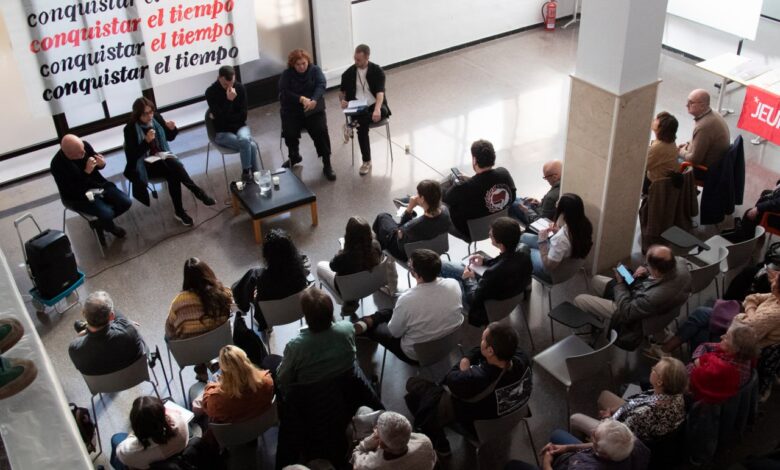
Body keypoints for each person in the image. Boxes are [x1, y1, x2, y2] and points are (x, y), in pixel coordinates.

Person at [406, 322, 533, 455]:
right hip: (513, 413)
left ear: (490, 351)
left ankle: (441, 445)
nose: (481, 341)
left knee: (413, 388)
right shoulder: (522, 358)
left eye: (483, 339)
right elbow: (481, 350)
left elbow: (451, 378)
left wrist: (464, 361)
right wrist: (470, 356)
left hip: (479, 426)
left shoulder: (475, 379)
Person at [353, 248, 463, 365]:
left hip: (416, 356)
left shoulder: (407, 299)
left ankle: (364, 326)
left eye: (410, 267)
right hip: (449, 344)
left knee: (377, 327)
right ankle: (371, 319)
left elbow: (395, 333)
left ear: (416, 274)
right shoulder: (453, 284)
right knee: (392, 312)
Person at [573, 245, 691, 350]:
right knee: (596, 280)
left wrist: (620, 283)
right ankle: (595, 321)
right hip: (651, 304)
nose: (645, 264)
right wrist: (647, 271)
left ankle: (585, 341)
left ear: (656, 270)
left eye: (648, 264)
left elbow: (627, 311)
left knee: (580, 300)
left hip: (637, 317)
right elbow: (653, 282)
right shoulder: (680, 264)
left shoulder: (653, 296)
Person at [123, 97, 216, 227]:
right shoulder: (130, 129)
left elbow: (169, 137)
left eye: (151, 112)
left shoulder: (156, 118)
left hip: (163, 158)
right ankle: (197, 192)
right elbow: (132, 157)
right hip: (145, 166)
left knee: (173, 172)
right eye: (145, 114)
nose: (150, 116)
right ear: (138, 114)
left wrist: (172, 129)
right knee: (174, 166)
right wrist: (146, 142)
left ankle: (180, 211)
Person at [441, 217, 532, 326]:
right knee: (445, 266)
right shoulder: (524, 250)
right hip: (510, 296)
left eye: (491, 235)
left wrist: (469, 279)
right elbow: (505, 260)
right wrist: (485, 261)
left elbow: (473, 299)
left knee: (446, 274)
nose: (489, 234)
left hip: (484, 310)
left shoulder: (493, 273)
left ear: (501, 244)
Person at [570, 357, 688, 441]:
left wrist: (607, 418)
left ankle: (594, 442)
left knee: (574, 418)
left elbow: (618, 434)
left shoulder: (643, 413)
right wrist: (612, 411)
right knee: (604, 396)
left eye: (654, 369)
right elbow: (635, 402)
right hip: (642, 423)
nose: (652, 368)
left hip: (623, 438)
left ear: (659, 381)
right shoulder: (676, 393)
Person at [51, 134, 132, 245]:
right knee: (107, 213)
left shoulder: (83, 146)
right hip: (78, 196)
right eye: (80, 153)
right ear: (68, 154)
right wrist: (87, 172)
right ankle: (111, 227)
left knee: (126, 202)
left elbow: (97, 164)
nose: (84, 153)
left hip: (98, 184)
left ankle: (100, 223)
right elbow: (72, 189)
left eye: (83, 149)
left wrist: (102, 164)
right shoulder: (57, 165)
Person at [271, 287, 357, 389]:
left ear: (306, 316)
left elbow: (282, 379)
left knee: (270, 360)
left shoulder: (295, 347)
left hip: (312, 395)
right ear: (331, 310)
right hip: (343, 387)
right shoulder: (348, 329)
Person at [165, 258, 232, 381]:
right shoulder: (222, 293)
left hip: (190, 353)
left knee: (173, 336)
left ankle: (201, 366)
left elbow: (170, 331)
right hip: (220, 345)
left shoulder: (178, 302)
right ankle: (209, 361)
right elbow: (234, 310)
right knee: (207, 334)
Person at [236, 229, 310, 331]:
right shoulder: (302, 269)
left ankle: (241, 306)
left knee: (250, 277)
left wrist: (255, 296)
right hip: (299, 310)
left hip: (269, 318)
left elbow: (259, 298)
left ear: (266, 255)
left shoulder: (261, 278)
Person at [279, 48, 336, 181]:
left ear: (307, 61)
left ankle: (327, 163)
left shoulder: (315, 70)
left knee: (320, 131)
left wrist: (314, 99)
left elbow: (321, 84)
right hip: (293, 109)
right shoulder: (287, 74)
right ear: (293, 64)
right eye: (298, 64)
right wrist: (300, 99)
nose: (301, 67)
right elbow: (284, 91)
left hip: (313, 108)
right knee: (290, 131)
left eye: (303, 63)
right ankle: (294, 156)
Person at [442, 139, 516, 239]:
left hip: (470, 233)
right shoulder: (503, 173)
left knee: (441, 202)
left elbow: (445, 198)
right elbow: (513, 196)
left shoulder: (464, 187)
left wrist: (456, 184)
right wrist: (471, 179)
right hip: (500, 225)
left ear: (474, 160)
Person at [508, 420, 650, 470]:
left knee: (512, 465)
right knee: (557, 434)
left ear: (602, 452)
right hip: (585, 457)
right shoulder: (633, 443)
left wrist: (546, 463)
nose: (592, 431)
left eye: (595, 436)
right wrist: (569, 447)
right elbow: (597, 446)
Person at [339, 44, 391, 176]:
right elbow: (341, 93)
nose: (356, 62)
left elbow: (380, 93)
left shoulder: (377, 71)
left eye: (359, 60)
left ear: (367, 57)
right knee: (362, 127)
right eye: (355, 59)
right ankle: (367, 161)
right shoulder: (348, 73)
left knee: (381, 113)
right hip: (356, 105)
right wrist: (342, 101)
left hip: (374, 103)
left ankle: (350, 125)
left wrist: (377, 109)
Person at [519, 193, 593, 282]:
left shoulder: (561, 238)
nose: (556, 202)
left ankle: (523, 282)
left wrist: (542, 241)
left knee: (523, 250)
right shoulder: (585, 224)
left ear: (563, 211)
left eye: (559, 202)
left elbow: (548, 266)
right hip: (566, 259)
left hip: (552, 273)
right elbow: (569, 243)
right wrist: (557, 231)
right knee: (524, 237)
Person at [69, 291, 145, 376]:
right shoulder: (129, 330)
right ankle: (95, 323)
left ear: (84, 314)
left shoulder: (74, 349)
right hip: (137, 374)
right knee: (113, 310)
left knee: (78, 325)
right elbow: (130, 327)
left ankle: (88, 326)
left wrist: (84, 333)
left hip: (105, 385)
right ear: (111, 316)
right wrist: (127, 323)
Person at [317, 216, 383, 315]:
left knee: (320, 265)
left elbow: (332, 266)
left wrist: (342, 250)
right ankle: (352, 301)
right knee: (356, 273)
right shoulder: (376, 246)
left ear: (349, 235)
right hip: (369, 285)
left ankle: (349, 302)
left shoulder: (343, 256)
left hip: (346, 289)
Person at [373, 179, 451, 262]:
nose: (416, 195)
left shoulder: (413, 226)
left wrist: (409, 208)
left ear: (422, 199)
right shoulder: (445, 211)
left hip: (410, 256)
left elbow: (400, 233)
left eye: (418, 194)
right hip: (437, 248)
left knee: (382, 217)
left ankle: (377, 249)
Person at [192, 345, 274, 423]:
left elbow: (203, 407)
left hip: (230, 435)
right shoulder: (267, 381)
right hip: (259, 425)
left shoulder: (217, 400)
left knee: (196, 398)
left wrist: (212, 385)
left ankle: (205, 375)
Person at [205, 65, 260, 181]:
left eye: (232, 84)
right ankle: (254, 175)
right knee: (251, 145)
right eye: (225, 84)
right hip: (222, 132)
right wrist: (229, 101)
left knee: (245, 140)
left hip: (240, 127)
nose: (229, 88)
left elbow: (243, 115)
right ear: (218, 78)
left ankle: (247, 174)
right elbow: (220, 120)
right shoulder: (211, 92)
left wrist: (224, 117)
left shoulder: (240, 88)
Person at [111, 396, 189, 470]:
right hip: (175, 458)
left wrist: (133, 434)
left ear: (136, 427)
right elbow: (173, 415)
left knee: (116, 438)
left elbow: (120, 452)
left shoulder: (127, 452)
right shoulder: (181, 423)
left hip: (146, 463)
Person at [351, 411, 436, 470]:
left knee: (363, 410)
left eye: (376, 428)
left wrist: (368, 442)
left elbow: (355, 456)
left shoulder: (370, 466)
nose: (375, 428)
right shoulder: (425, 442)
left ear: (382, 444)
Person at [678, 89, 730, 172]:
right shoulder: (713, 114)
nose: (686, 105)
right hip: (716, 163)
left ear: (702, 106)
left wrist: (681, 151)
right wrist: (687, 145)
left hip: (706, 170)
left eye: (691, 103)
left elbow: (694, 160)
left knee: (667, 160)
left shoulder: (704, 126)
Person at [510, 160, 562, 225]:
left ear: (554, 177)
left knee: (514, 203)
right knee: (521, 200)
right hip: (546, 213)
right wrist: (540, 204)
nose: (546, 180)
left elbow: (541, 222)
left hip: (542, 222)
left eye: (546, 177)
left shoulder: (551, 197)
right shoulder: (563, 186)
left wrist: (526, 211)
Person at [645, 111, 680, 187]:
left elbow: (642, 166)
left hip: (655, 184)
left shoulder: (659, 147)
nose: (654, 120)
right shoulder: (670, 141)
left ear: (661, 128)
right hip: (665, 182)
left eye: (657, 119)